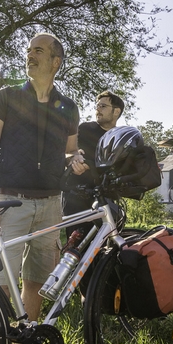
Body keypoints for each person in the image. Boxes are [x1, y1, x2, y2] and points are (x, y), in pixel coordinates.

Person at [0, 32, 84, 322]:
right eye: (28, 50)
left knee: (37, 282)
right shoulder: (6, 97)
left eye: (38, 51)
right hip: (10, 202)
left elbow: (70, 151)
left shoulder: (69, 108)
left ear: (55, 62)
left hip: (51, 205)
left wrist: (75, 158)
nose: (30, 55)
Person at [62, 90, 125, 238]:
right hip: (77, 197)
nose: (97, 109)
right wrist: (72, 159)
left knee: (106, 248)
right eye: (97, 106)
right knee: (76, 246)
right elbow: (66, 151)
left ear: (116, 111)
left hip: (105, 199)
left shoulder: (120, 137)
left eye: (103, 106)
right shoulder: (84, 129)